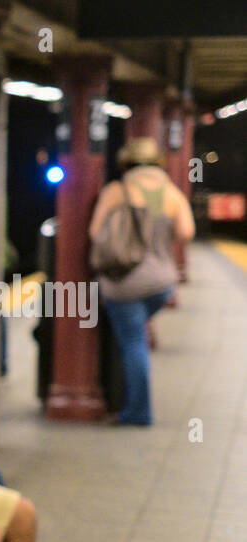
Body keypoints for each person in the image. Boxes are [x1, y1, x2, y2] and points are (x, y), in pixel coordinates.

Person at [89, 136, 195, 426]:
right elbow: (186, 231)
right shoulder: (171, 192)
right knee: (135, 336)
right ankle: (130, 401)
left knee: (133, 343)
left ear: (126, 162)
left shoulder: (117, 190)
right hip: (161, 283)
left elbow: (96, 232)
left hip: (125, 282)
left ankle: (138, 412)